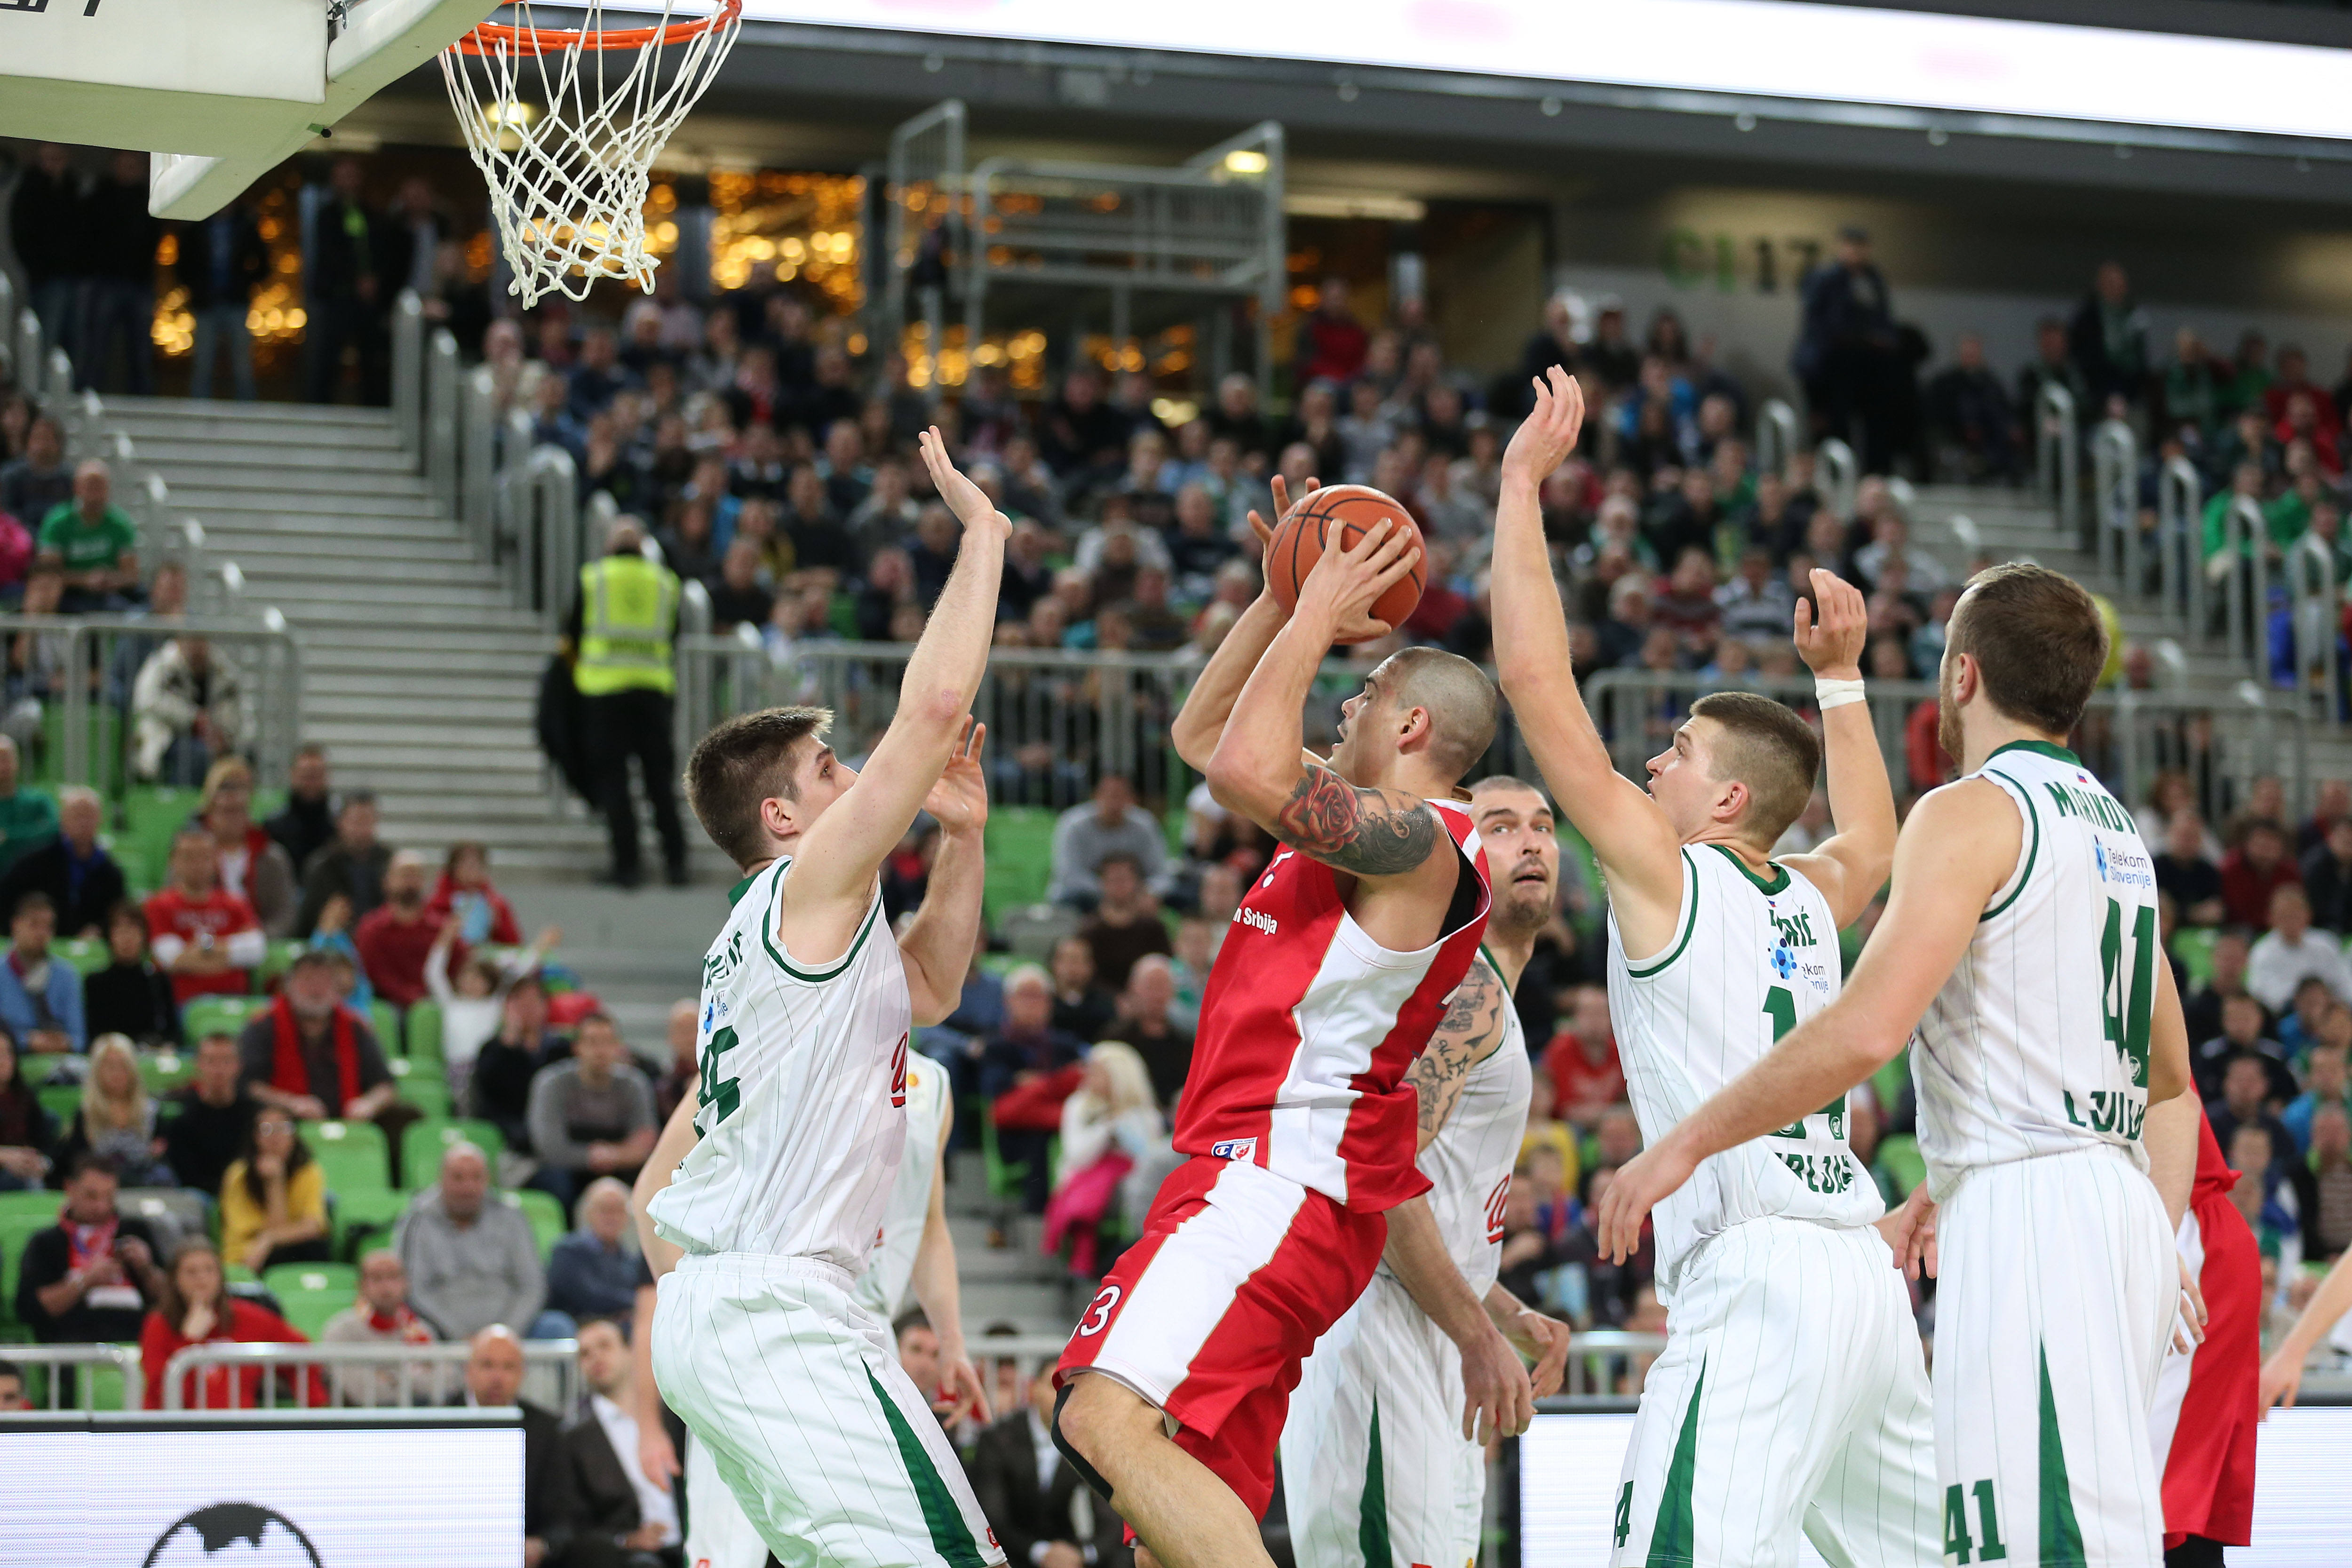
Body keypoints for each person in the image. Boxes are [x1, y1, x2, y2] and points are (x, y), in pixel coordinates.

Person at [1598, 558, 2204, 1568]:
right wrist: (2138, 1219)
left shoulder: (1971, 809)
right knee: (2055, 1533)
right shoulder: (2117, 832)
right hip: (2110, 1205)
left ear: (1962, 675)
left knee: (2044, 1545)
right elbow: (2170, 1078)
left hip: (2034, 1216)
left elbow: (1867, 1030)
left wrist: (1686, 1143)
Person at [1488, 369, 1934, 1565]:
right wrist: (1841, 679)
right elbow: (1874, 835)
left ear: (1728, 798)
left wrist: (1520, 487)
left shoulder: (1667, 874)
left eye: (1678, 749)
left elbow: (1534, 683)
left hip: (1760, 1278)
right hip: (1863, 1282)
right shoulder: (1817, 895)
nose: (1651, 764)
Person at [1053, 479, 1504, 1568]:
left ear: (1410, 725)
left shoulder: (1419, 844)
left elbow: (1244, 765)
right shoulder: (1354, 828)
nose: (1341, 705)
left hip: (1279, 1180)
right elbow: (1205, 736)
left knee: (1100, 1415)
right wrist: (1276, 600)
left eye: (1364, 693)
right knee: (1173, 1515)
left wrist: (1318, 613)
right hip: (1269, 1183)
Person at [636, 425, 1005, 1568]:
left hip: (760, 1308)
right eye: (832, 770)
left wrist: (964, 840)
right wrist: (985, 535)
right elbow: (933, 708)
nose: (857, 780)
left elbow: (933, 985)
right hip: (777, 1308)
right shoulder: (801, 889)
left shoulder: (805, 932)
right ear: (783, 819)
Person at [1281, 775, 1576, 1568]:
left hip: (1433, 1326)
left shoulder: (1489, 992)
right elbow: (1375, 1179)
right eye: (1501, 825)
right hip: (1382, 1331)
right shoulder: (1461, 989)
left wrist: (1505, 1309)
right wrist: (1479, 1333)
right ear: (1458, 853)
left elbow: (1429, 1196)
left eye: (1543, 825)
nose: (1531, 841)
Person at [567, 517, 689, 889]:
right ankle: (676, 862)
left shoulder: (594, 577)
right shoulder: (665, 582)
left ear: (610, 545)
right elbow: (674, 633)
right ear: (643, 547)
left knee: (614, 782)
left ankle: (628, 866)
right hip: (653, 691)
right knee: (659, 781)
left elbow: (573, 631)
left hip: (604, 693)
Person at [552, 1316, 684, 1567]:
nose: (596, 1358)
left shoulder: (676, 1414)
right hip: (629, 1558)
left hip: (696, 1539)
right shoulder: (573, 1438)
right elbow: (573, 1525)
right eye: (585, 1354)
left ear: (630, 1351)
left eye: (605, 1346)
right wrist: (627, 1541)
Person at [397, 1140, 562, 1341]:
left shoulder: (512, 1216)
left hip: (512, 1332)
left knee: (556, 1327)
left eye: (477, 1177)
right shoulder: (418, 1219)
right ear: (441, 1179)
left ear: (488, 1179)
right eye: (458, 1177)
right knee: (415, 1332)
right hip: (441, 1333)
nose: (468, 1187)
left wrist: (503, 1335)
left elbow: (532, 1286)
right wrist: (457, 1333)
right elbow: (414, 1290)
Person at [972, 1368, 1136, 1568]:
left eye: (1073, 1390)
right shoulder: (998, 1440)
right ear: (1033, 1389)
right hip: (1015, 1552)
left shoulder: (1093, 1440)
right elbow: (993, 1516)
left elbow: (1111, 1516)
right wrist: (1041, 1553)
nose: (1064, 1397)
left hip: (1073, 1553)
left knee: (1127, 1557)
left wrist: (1083, 1554)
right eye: (1055, 1387)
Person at [138, 1237, 320, 1409]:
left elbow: (302, 1353)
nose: (202, 1279)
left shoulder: (248, 1318)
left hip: (239, 1428)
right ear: (175, 1280)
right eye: (191, 1272)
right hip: (179, 1428)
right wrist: (189, 1341)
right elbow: (163, 1398)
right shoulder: (158, 1325)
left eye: (210, 1270)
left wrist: (314, 1411)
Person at [236, 948, 403, 1132]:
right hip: (284, 1125)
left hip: (350, 1124)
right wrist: (291, 1103)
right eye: (308, 980)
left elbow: (385, 1085)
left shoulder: (356, 1027)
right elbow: (248, 1085)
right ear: (289, 986)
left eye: (324, 981)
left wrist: (368, 1104)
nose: (316, 989)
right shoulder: (263, 1027)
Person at [15, 1153, 168, 1344]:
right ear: (70, 1188)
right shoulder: (46, 1242)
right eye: (91, 1196)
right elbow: (30, 1310)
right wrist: (85, 1282)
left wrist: (147, 1270)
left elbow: (173, 1301)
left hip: (137, 1341)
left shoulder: (136, 1231)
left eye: (109, 1197)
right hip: (71, 1346)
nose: (101, 1207)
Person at [456, 1324, 567, 1568]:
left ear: (522, 1374)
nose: (497, 1378)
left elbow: (562, 1511)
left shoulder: (547, 1429)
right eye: (488, 1365)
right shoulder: (440, 1423)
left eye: (508, 1367)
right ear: (469, 1370)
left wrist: (543, 1545)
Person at [526, 1012, 658, 1210]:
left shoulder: (635, 1085)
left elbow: (645, 1145)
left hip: (620, 1170)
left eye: (607, 1042)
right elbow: (550, 1149)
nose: (600, 1051)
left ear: (618, 1047)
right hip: (566, 1172)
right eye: (592, 1042)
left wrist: (612, 1156)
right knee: (555, 1182)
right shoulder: (551, 1084)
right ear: (576, 1048)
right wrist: (594, 1157)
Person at [427, 918, 556, 1101]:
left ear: (490, 983)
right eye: (468, 977)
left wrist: (541, 945)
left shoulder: (495, 1004)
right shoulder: (450, 1002)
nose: (472, 984)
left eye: (478, 979)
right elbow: (433, 973)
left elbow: (521, 972)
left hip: (483, 1067)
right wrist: (445, 939)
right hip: (455, 1067)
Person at [143, 827, 265, 1006]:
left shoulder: (236, 903)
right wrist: (231, 957)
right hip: (182, 1003)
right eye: (189, 857)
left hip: (236, 1000)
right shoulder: (157, 906)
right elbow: (171, 959)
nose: (197, 864)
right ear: (173, 861)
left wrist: (202, 949)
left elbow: (256, 951)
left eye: (204, 857)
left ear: (216, 861)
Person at [318, 1248, 441, 1406]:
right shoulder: (340, 1331)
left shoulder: (421, 1330)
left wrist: (389, 1377)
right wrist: (413, 1378)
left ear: (406, 1283)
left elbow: (445, 1384)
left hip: (417, 1416)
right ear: (361, 1286)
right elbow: (360, 1392)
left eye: (393, 1277)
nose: (386, 1286)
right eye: (376, 1278)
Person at [0, 784, 123, 940]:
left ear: (100, 820)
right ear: (63, 819)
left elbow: (118, 916)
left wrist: (101, 930)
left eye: (89, 816)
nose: (83, 823)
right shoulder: (33, 863)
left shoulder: (110, 873)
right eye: (77, 816)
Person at [218, 1105, 330, 1274]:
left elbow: (313, 1226)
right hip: (247, 1253)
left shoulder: (308, 1172)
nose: (275, 1137)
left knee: (316, 1248)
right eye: (267, 1129)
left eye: (283, 1128)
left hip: (282, 1246)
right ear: (255, 1137)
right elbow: (251, 1233)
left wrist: (270, 1239)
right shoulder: (238, 1175)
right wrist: (274, 1182)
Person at [196, 758, 297, 939]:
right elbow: (175, 901)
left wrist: (258, 938)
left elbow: (285, 914)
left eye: (239, 810)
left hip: (257, 940)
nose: (233, 818)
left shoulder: (271, 857)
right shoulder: (192, 853)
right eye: (227, 811)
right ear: (210, 812)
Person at [180, 195, 269, 401]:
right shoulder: (197, 226)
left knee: (242, 362)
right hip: (206, 303)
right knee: (203, 361)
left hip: (235, 302)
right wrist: (197, 288)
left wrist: (245, 282)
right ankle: (199, 408)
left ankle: (245, 408)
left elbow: (263, 261)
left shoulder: (245, 225)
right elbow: (184, 263)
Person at [55, 1035, 174, 1187]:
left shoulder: (152, 1111)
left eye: (123, 1066)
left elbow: (165, 1152)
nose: (117, 1073)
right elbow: (74, 1162)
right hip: (99, 1187)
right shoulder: (85, 1114)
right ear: (97, 1072)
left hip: (143, 1184)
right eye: (110, 1066)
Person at [1047, 774, 1172, 907]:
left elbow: (1161, 873)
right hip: (1086, 894)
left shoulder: (1145, 825)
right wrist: (1112, 891)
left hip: (1137, 895)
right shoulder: (1073, 825)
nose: (1114, 803)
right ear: (1095, 796)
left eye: (1121, 797)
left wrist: (1148, 891)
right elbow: (1069, 874)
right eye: (1110, 796)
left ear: (1133, 800)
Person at [36, 459, 139, 613]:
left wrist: (109, 580)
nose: (95, 492)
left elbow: (131, 575)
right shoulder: (58, 522)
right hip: (67, 594)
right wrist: (85, 580)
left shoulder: (120, 523)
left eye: (100, 485)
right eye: (90, 485)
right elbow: (49, 574)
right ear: (77, 487)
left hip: (109, 595)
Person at [353, 851, 449, 1010]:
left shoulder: (442, 928)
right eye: (404, 875)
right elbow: (373, 973)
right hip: (386, 1005)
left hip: (436, 1004)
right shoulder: (371, 929)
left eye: (415, 875)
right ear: (387, 881)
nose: (409, 882)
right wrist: (413, 998)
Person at [294, 791, 389, 939]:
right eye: (357, 821)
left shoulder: (388, 863)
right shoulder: (322, 866)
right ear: (340, 822)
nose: (362, 829)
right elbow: (307, 921)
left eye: (368, 821)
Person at [547, 1177, 642, 1325]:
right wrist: (638, 1302)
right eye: (605, 1210)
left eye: (618, 1210)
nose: (612, 1217)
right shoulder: (567, 1251)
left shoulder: (629, 1259)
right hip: (576, 1323)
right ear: (589, 1213)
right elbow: (586, 1296)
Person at [85, 899, 179, 1046]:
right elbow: (95, 1034)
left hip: (151, 1050)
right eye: (120, 930)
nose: (127, 938)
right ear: (110, 936)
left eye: (133, 930)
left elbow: (172, 1032)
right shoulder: (95, 982)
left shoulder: (158, 981)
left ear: (144, 936)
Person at [0, 891, 85, 1053]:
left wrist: (63, 1042)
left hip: (62, 1061)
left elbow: (79, 1038)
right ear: (16, 925)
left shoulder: (67, 975)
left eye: (48, 926)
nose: (41, 933)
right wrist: (27, 1041)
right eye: (34, 924)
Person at [2246, 882, 2351, 1012]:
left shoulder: (2326, 944)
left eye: (2296, 914)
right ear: (2271, 918)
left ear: (2308, 915)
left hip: (2330, 1012)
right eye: (2284, 915)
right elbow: (2261, 996)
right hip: (2285, 1016)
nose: (2291, 920)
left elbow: (2345, 985)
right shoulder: (2262, 952)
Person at [1076, 853, 1171, 995]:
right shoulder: (1089, 931)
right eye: (1113, 880)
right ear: (1102, 883)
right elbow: (1085, 976)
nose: (1119, 886)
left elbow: (1166, 968)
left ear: (1137, 883)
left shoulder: (1153, 929)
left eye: (1124, 880)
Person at [266, 744, 336, 876]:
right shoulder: (272, 829)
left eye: (316, 775)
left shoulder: (338, 829)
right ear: (293, 775)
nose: (311, 783)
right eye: (306, 775)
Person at [0, 1028, 56, 1191]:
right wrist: (5, 1157)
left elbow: (44, 1145)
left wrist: (39, 1161)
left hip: (25, 1171)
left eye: (8, 1053)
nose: (4, 1061)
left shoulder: (26, 1098)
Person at [0, 735, 59, 877]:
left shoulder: (39, 801)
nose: (2, 766)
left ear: (17, 762)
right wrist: (33, 831)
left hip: (33, 880)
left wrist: (9, 837)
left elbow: (55, 829)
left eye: (6, 759)